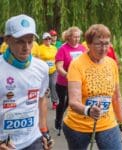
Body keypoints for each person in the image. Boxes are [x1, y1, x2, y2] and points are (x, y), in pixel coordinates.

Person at [63, 24, 122, 150]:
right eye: (98, 44)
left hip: (107, 123)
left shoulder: (111, 64)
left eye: (106, 43)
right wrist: (88, 110)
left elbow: (116, 97)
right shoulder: (77, 65)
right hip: (78, 125)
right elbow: (73, 102)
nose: (103, 48)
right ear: (88, 44)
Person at [0, 14, 53, 150]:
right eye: (20, 42)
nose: (26, 47)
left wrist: (44, 131)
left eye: (30, 41)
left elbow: (41, 100)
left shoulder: (42, 68)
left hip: (32, 140)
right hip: (4, 143)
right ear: (7, 40)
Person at [55, 26, 86, 133]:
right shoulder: (62, 49)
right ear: (68, 37)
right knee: (62, 103)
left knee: (71, 102)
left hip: (77, 82)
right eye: (75, 37)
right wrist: (68, 75)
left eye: (78, 37)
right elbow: (59, 67)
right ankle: (58, 120)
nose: (77, 39)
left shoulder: (82, 48)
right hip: (63, 82)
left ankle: (71, 121)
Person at [39, 32, 58, 110]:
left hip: (53, 70)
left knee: (53, 85)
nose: (48, 40)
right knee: (44, 88)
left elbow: (57, 58)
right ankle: (42, 102)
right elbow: (37, 59)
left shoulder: (54, 48)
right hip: (44, 72)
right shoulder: (40, 48)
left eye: (49, 38)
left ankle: (54, 102)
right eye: (46, 39)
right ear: (43, 40)